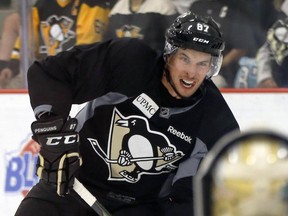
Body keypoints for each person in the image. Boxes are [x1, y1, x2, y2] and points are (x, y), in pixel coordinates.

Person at [14, 12, 239, 216]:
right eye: (185, 58)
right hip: (72, 186)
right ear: (169, 54)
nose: (192, 72)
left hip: (139, 208)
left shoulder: (215, 121)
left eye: (203, 64)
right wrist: (54, 129)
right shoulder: (130, 63)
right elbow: (52, 73)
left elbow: (190, 197)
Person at [0, 0, 117, 88]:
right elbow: (27, 43)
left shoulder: (93, 3)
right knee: (14, 85)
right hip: (52, 73)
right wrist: (12, 67)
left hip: (83, 77)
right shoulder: (42, 5)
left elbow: (85, 52)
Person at [190, 0, 257, 88]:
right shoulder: (197, 6)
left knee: (206, 85)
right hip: (193, 67)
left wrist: (213, 68)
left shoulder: (236, 9)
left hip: (220, 72)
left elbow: (241, 48)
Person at [103, 0, 178, 51]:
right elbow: (109, 43)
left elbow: (174, 43)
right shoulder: (117, 10)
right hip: (121, 65)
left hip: (152, 65)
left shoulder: (163, 6)